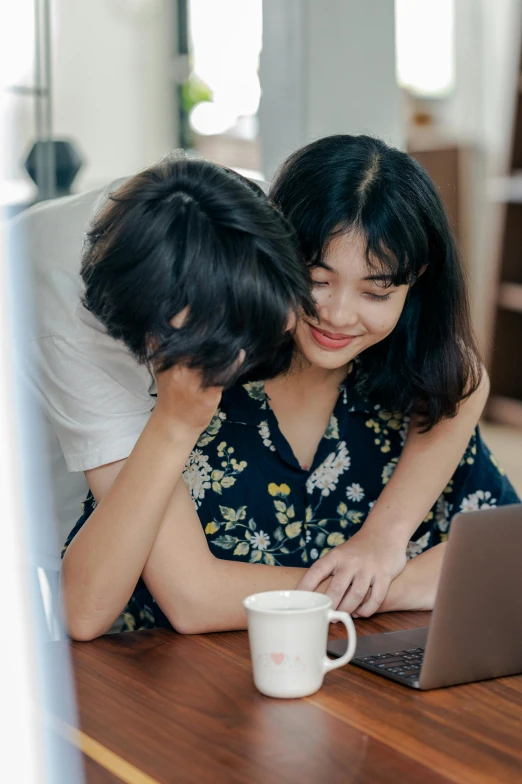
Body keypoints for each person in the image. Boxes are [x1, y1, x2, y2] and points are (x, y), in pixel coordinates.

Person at [60, 136, 519, 640]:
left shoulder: (417, 391)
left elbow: (503, 557)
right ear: (273, 255)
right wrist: (395, 589)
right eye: (317, 279)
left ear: (414, 287)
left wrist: (383, 543)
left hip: (364, 697)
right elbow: (180, 603)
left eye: (376, 291)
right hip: (179, 700)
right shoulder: (189, 369)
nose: (340, 316)